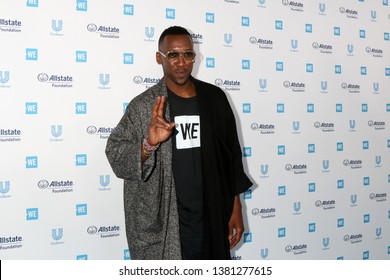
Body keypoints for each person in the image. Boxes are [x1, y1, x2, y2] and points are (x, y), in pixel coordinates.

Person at [105, 26, 252, 260]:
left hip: (210, 213)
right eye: (173, 55)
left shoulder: (215, 98)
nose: (181, 62)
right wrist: (147, 145)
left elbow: (230, 156)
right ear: (159, 58)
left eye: (188, 54)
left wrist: (236, 206)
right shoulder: (144, 106)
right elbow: (116, 155)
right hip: (165, 220)